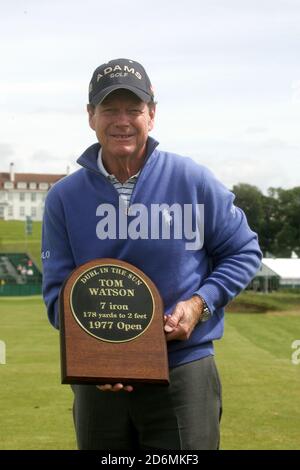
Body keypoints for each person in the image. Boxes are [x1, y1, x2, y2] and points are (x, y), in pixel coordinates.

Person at [42, 58, 262, 450]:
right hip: (98, 381)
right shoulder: (64, 198)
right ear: (91, 116)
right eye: (110, 109)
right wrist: (97, 353)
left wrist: (199, 305)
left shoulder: (192, 180)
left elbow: (243, 250)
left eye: (134, 109)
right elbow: (57, 293)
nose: (122, 120)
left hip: (184, 369)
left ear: (153, 115)